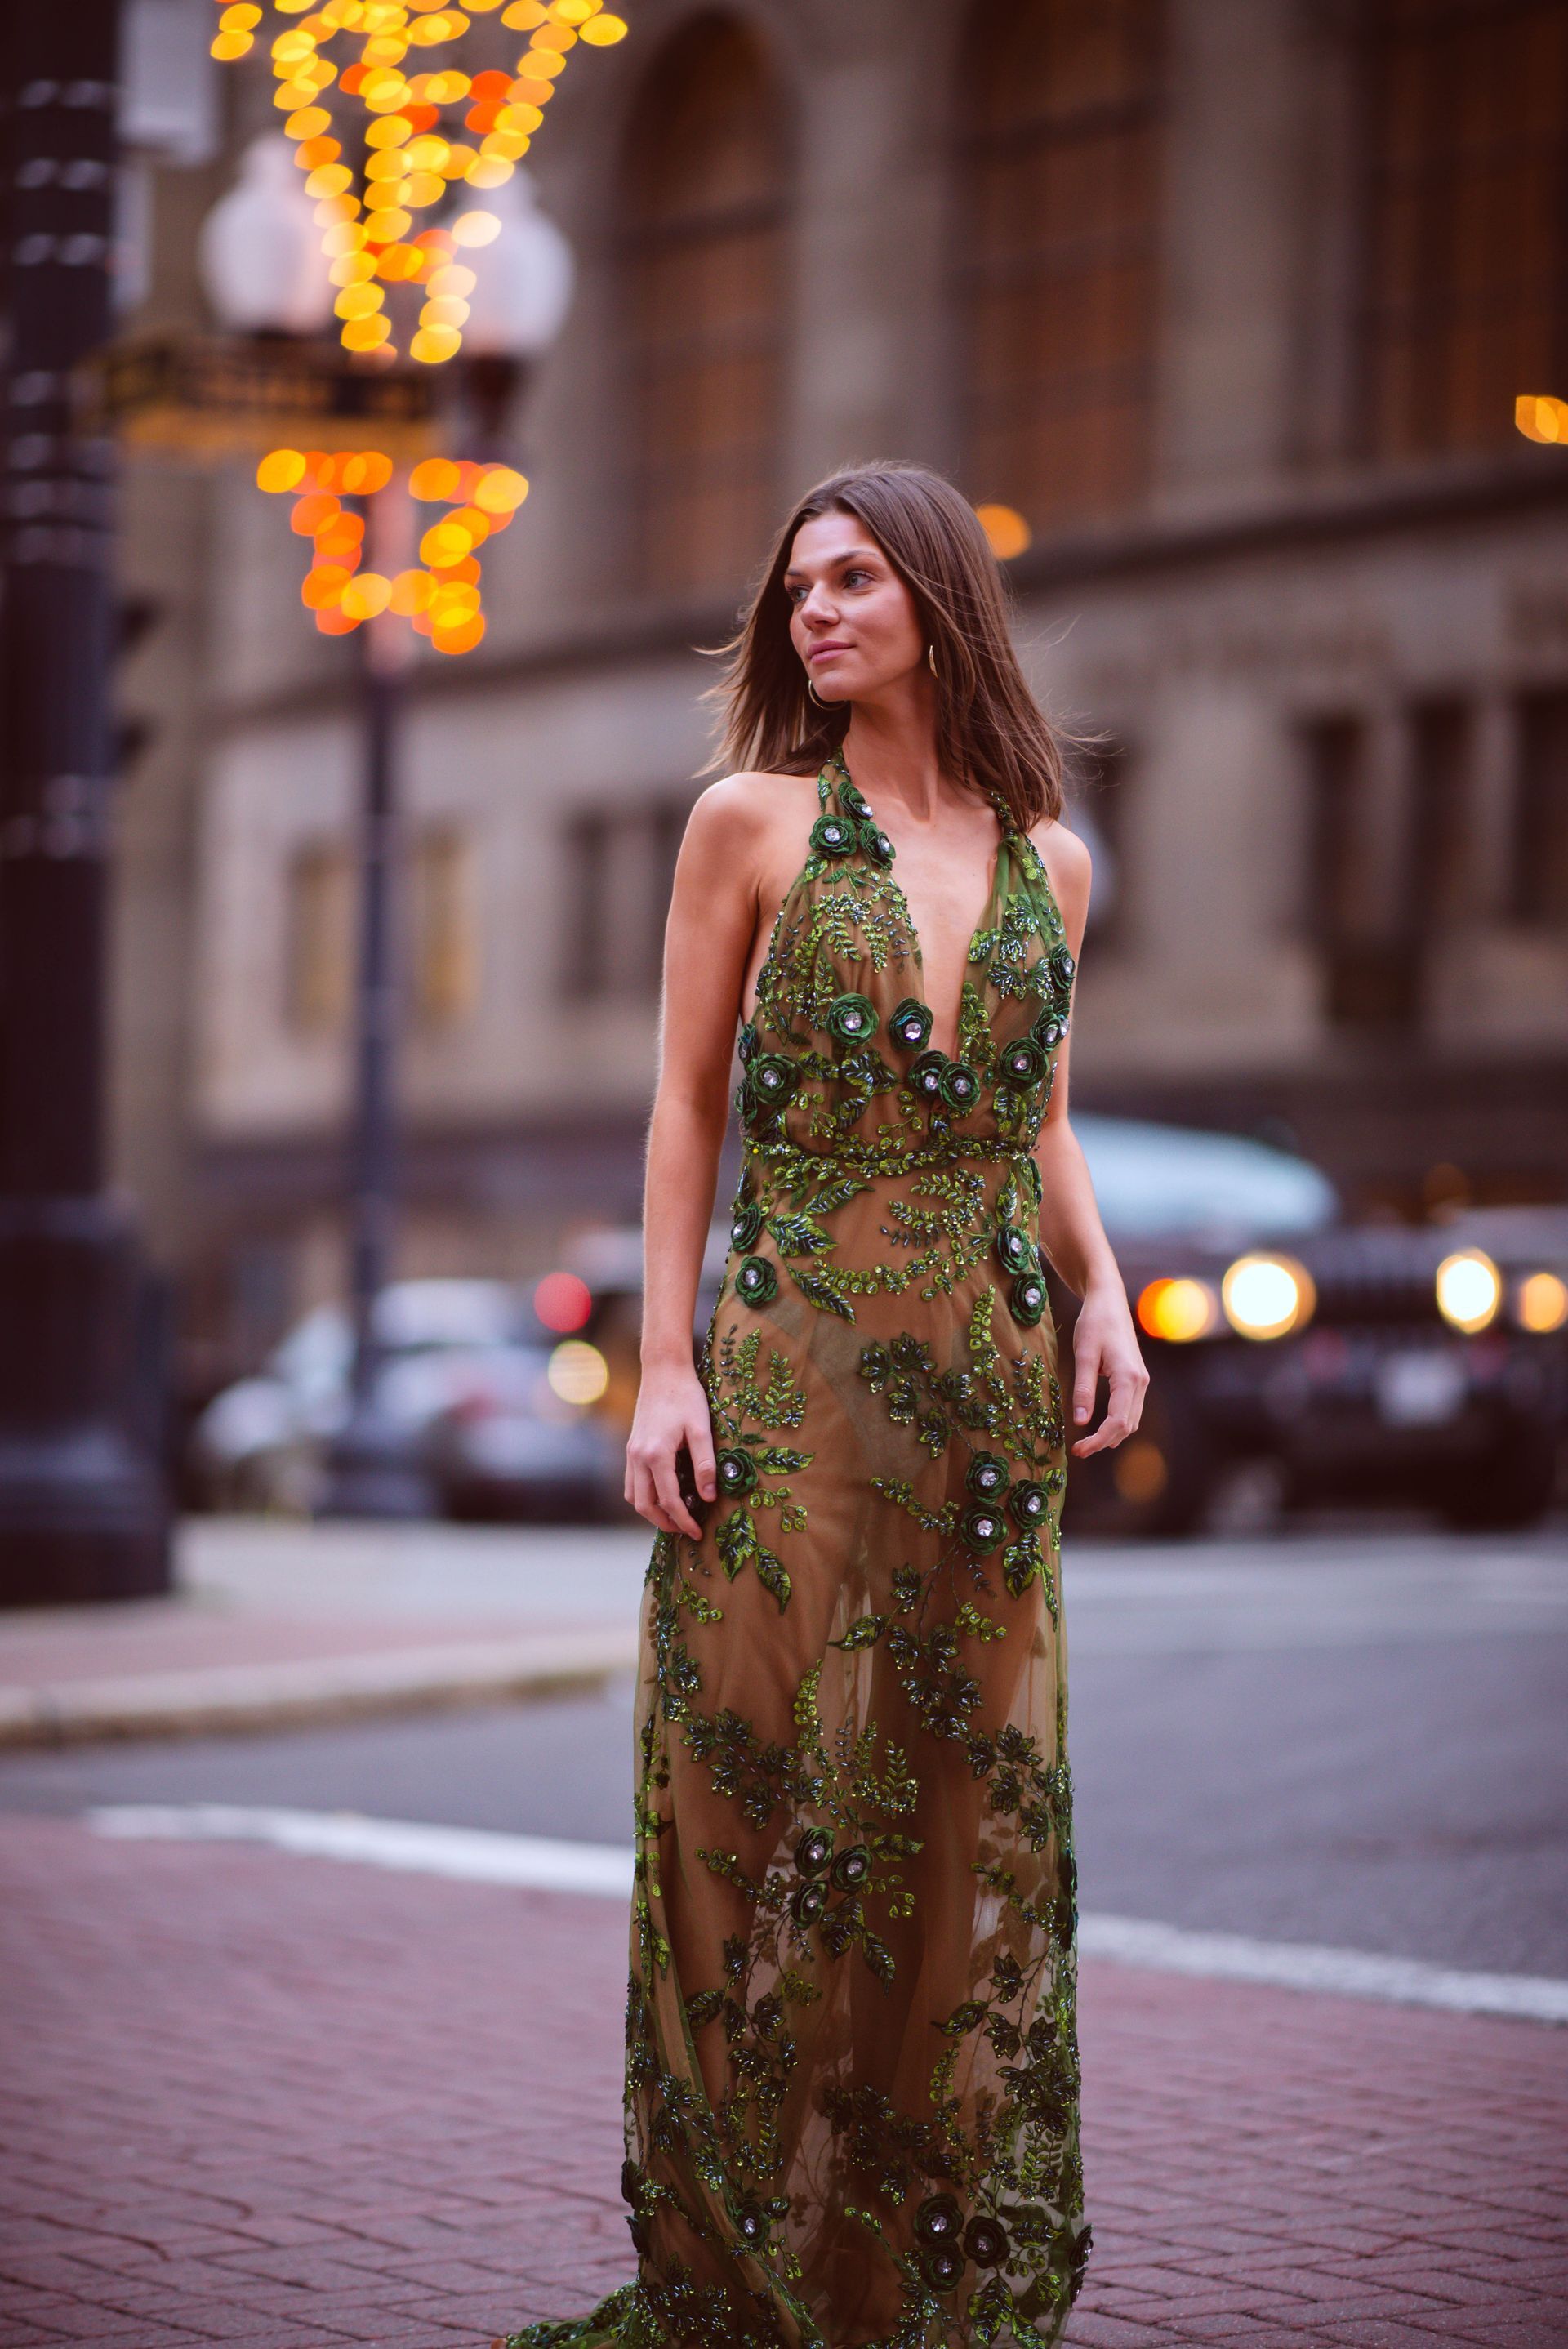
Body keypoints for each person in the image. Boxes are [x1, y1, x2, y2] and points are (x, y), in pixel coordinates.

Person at [502, 462, 1148, 2349]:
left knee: (956, 1821)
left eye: (858, 577)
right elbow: (686, 1099)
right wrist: (670, 1362)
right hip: (789, 1382)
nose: (819, 611)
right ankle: (736, 2275)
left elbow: (1031, 1115)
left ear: (942, 596)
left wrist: (1106, 1288)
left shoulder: (1056, 860)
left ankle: (904, 2279)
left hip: (985, 1405)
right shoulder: (750, 824)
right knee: (754, 1803)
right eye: (801, 587)